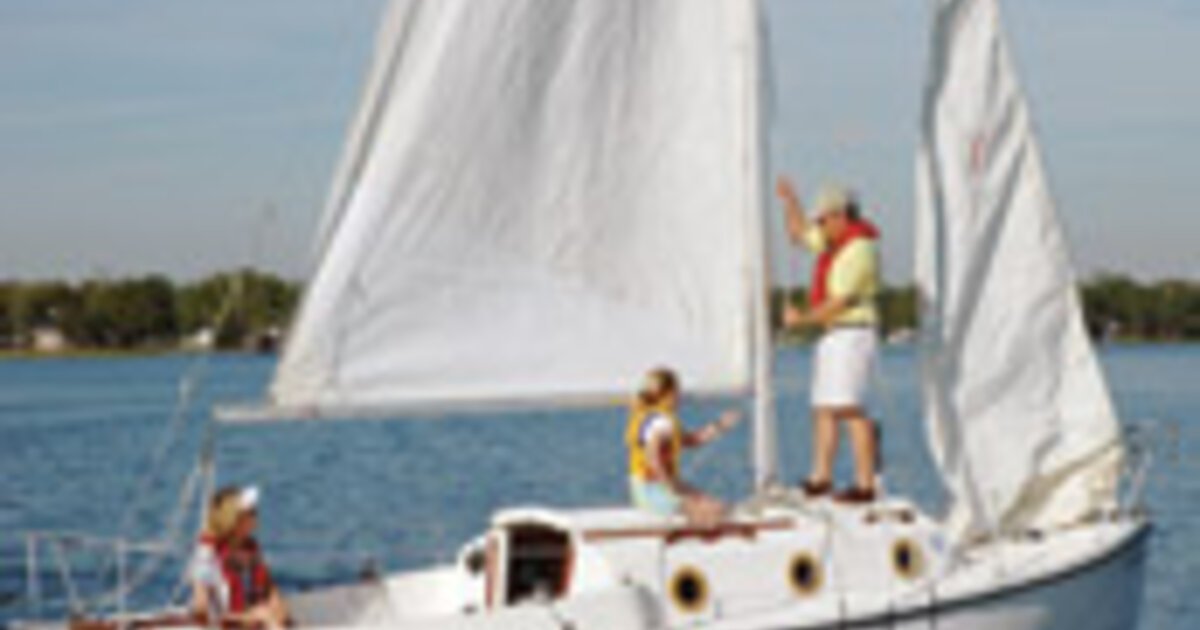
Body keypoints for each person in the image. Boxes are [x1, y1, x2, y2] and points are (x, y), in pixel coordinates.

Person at [777, 176, 882, 504]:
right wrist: (790, 201)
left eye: (822, 220)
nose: (818, 226)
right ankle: (820, 478)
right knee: (823, 408)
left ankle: (865, 484)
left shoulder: (859, 249)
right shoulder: (833, 242)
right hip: (833, 336)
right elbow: (797, 235)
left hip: (852, 334)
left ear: (840, 216)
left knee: (848, 408)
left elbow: (839, 302)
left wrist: (801, 320)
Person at [625, 367, 742, 528]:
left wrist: (721, 425)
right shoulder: (661, 422)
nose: (680, 398)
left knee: (713, 504)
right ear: (669, 394)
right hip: (653, 490)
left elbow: (693, 440)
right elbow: (652, 456)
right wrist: (671, 487)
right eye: (678, 393)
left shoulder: (651, 417)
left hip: (647, 488)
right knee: (712, 511)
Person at [189, 485, 291, 628]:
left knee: (276, 615)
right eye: (251, 513)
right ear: (233, 519)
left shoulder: (250, 547)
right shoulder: (208, 554)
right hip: (228, 625)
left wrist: (279, 607)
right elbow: (201, 610)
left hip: (255, 620)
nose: (256, 515)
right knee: (267, 617)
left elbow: (269, 588)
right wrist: (246, 617)